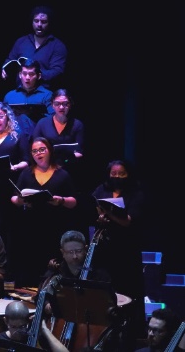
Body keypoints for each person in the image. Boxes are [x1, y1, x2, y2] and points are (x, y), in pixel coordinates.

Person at [10, 137, 78, 287]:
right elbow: (14, 198)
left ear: (49, 150)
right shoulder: (26, 174)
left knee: (52, 269)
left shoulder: (62, 174)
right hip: (30, 228)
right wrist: (20, 200)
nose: (38, 153)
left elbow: (74, 201)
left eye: (42, 150)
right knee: (30, 269)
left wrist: (60, 200)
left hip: (54, 227)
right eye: (34, 151)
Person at [92, 159, 146, 337]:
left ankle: (130, 332)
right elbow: (95, 208)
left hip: (126, 251)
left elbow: (128, 221)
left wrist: (108, 214)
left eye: (121, 174)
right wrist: (100, 217)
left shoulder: (136, 193)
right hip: (105, 250)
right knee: (105, 289)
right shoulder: (102, 189)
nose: (116, 177)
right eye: (113, 173)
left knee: (128, 290)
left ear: (128, 174)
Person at [2, 6, 67, 90]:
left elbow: (57, 71)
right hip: (20, 91)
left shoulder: (57, 46)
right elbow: (10, 60)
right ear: (32, 22)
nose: (39, 25)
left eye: (44, 22)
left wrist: (35, 74)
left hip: (44, 93)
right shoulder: (21, 42)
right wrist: (4, 69)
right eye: (36, 21)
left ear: (49, 23)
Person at [32, 89, 85, 178]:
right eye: (57, 104)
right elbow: (34, 147)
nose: (61, 107)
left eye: (65, 104)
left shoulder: (77, 125)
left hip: (71, 169)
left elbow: (80, 152)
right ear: (52, 105)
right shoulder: (42, 123)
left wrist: (65, 158)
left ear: (70, 105)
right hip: (46, 168)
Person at [4, 59, 54, 135]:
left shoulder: (47, 95)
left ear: (39, 76)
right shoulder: (10, 96)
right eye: (24, 74)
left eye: (31, 74)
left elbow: (54, 119)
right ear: (20, 75)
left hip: (40, 137)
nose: (27, 77)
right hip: (15, 139)